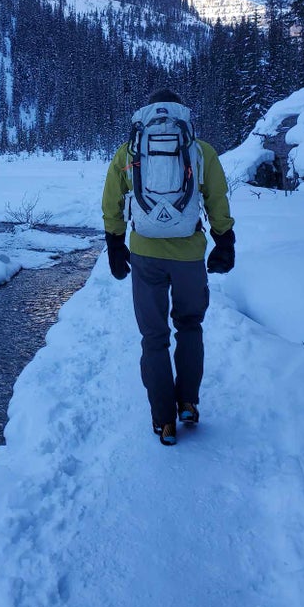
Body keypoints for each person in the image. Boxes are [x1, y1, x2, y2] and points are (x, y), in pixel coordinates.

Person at [101, 88, 235, 446]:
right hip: (189, 255)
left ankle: (163, 421)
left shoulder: (130, 151)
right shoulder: (200, 150)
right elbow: (217, 198)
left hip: (146, 255)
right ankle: (188, 403)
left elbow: (112, 200)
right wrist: (224, 240)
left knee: (153, 337)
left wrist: (115, 243)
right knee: (189, 326)